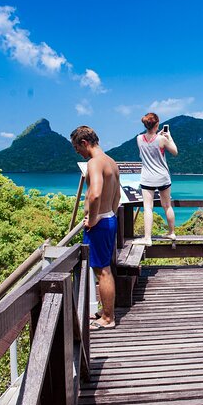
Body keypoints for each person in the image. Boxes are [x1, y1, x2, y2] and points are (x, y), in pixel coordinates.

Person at [70, 126, 121, 330]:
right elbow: (116, 197)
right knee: (104, 268)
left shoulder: (94, 163)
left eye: (77, 149)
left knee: (102, 271)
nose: (78, 153)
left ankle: (108, 318)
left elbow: (95, 194)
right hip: (109, 218)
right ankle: (106, 311)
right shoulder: (111, 162)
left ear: (84, 143)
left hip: (99, 223)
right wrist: (109, 215)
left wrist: (92, 220)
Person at [133, 112, 178, 245]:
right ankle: (171, 233)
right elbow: (175, 152)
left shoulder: (139, 138)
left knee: (148, 207)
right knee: (167, 206)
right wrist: (169, 137)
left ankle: (147, 238)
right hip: (163, 177)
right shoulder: (162, 139)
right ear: (157, 124)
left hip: (147, 178)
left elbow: (149, 144)